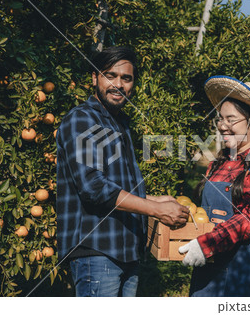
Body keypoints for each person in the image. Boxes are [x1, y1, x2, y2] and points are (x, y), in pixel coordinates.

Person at [56, 46, 189, 297]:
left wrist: (153, 200)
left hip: (127, 250)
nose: (118, 84)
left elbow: (115, 188)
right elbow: (93, 187)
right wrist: (156, 210)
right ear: (95, 78)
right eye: (110, 75)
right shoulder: (82, 119)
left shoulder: (120, 123)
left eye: (126, 78)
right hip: (97, 251)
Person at [179, 75, 250, 296]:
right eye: (220, 119)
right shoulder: (218, 163)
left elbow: (249, 219)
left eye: (231, 119)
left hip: (241, 274)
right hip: (207, 267)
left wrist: (206, 244)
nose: (222, 126)